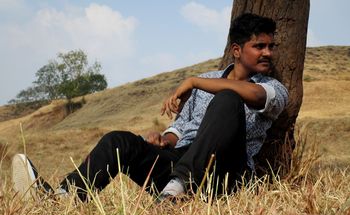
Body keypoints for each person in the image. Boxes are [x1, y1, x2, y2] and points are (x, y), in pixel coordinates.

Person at [11, 13, 288, 202]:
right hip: (179, 163)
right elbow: (182, 128)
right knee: (119, 140)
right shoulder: (209, 80)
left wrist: (193, 81)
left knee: (228, 99)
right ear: (237, 50)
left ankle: (178, 190)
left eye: (270, 46)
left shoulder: (273, 88)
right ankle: (64, 198)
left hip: (224, 173)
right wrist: (164, 139)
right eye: (259, 46)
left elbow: (251, 94)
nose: (268, 53)